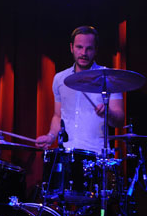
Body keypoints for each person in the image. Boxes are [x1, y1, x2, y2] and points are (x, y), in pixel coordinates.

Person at [35, 26, 124, 154]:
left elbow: (120, 119)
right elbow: (58, 115)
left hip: (97, 155)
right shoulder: (60, 79)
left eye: (89, 48)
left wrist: (108, 113)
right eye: (79, 47)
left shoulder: (108, 78)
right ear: (71, 48)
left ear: (96, 50)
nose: (83, 53)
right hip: (67, 153)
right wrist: (50, 136)